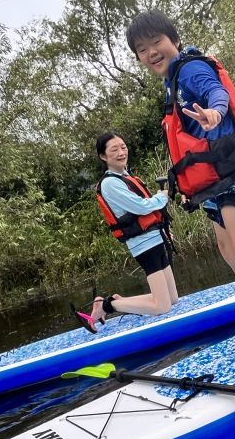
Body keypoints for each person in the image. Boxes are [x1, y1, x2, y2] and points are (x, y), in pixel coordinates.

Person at [124, 10, 235, 367]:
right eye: (142, 49)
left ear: (174, 40)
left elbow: (215, 92)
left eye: (157, 41)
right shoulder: (171, 82)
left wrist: (216, 113)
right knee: (228, 249)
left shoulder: (190, 69)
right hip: (212, 177)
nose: (151, 52)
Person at [76, 132, 179, 333]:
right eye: (114, 150)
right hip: (144, 246)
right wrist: (162, 196)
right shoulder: (110, 183)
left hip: (156, 238)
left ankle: (117, 301)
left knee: (172, 299)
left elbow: (149, 211)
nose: (121, 152)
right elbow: (141, 207)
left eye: (123, 147)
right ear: (103, 157)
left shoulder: (126, 177)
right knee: (162, 306)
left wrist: (164, 232)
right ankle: (107, 305)